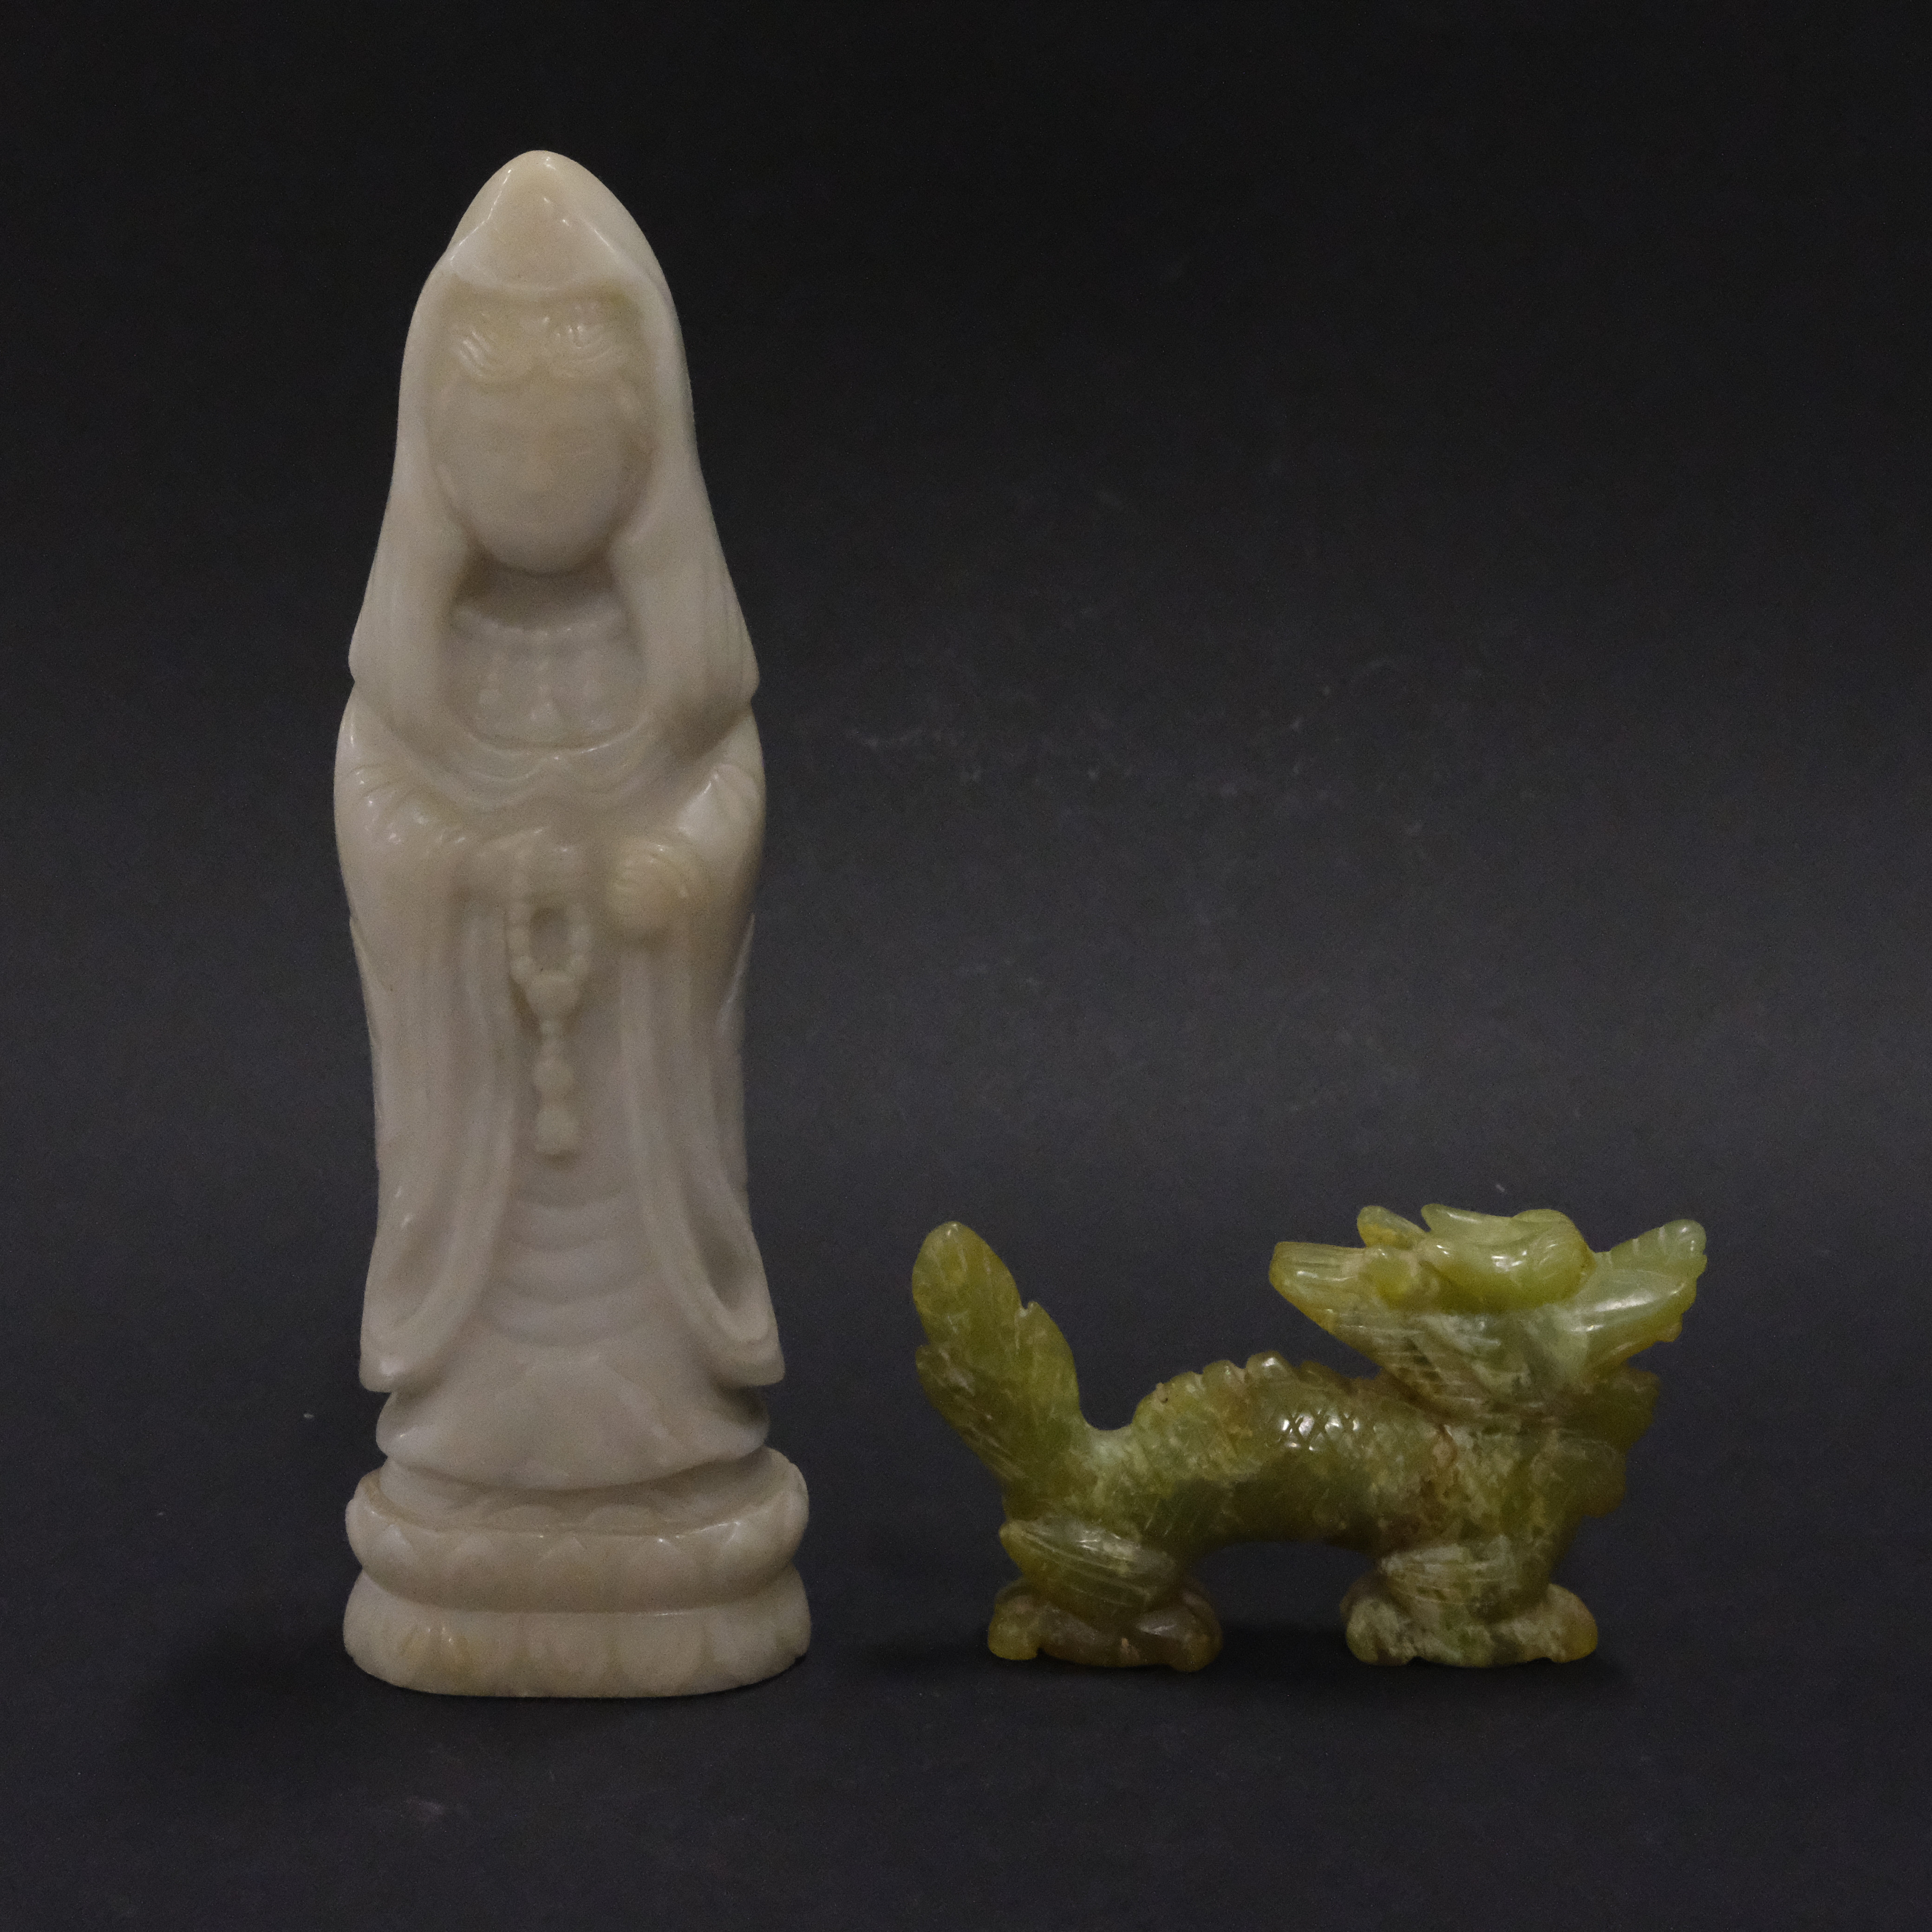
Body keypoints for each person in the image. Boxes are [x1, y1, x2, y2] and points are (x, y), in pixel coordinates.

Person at [335, 151, 806, 1696]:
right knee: (485, 1362)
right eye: (499, 433)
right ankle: (477, 1468)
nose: (536, 466)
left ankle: (667, 1463)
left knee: (646, 1333)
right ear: (436, 450)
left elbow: (723, 791)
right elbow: (378, 814)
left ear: (645, 445)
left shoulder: (679, 674)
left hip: (634, 1128)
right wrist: (463, 876)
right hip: (484, 1140)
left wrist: (674, 875)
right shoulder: (413, 684)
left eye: (569, 432)